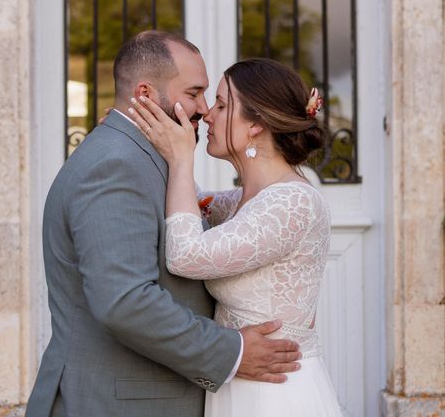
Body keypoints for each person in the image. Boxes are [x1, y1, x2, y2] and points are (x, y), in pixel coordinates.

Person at [26, 31, 302, 417]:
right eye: (194, 93)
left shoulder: (139, 155)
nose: (204, 109)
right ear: (145, 93)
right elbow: (125, 301)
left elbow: (213, 210)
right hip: (115, 403)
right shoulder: (116, 165)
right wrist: (232, 352)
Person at [128, 57, 343, 416]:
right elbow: (187, 204)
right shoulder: (246, 202)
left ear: (257, 124)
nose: (208, 115)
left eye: (223, 105)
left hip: (274, 397)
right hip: (237, 386)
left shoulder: (293, 203)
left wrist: (182, 158)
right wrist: (144, 135)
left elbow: (184, 254)